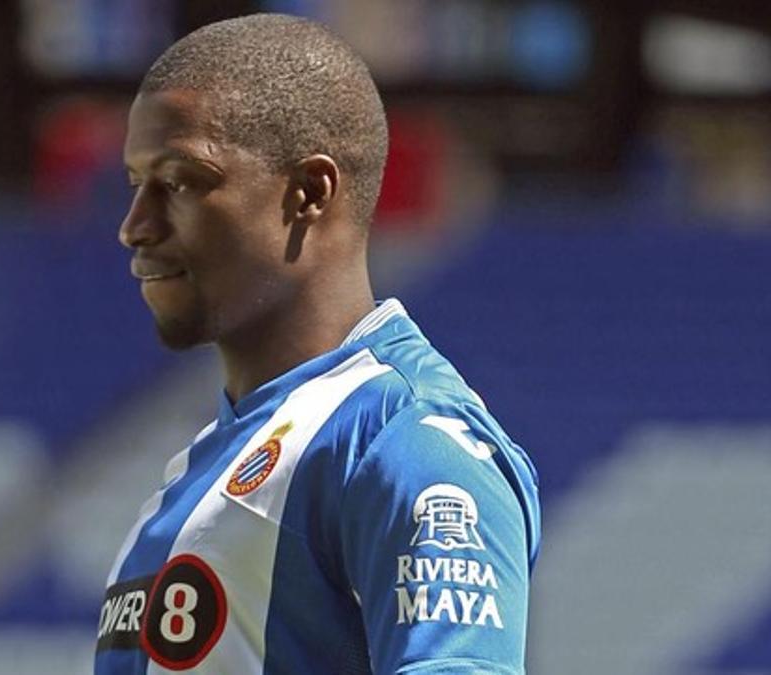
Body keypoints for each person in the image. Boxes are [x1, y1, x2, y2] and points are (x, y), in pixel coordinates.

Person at [96, 13, 540, 675]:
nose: (134, 227)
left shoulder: (403, 439)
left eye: (181, 181)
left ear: (309, 192)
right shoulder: (203, 468)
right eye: (137, 185)